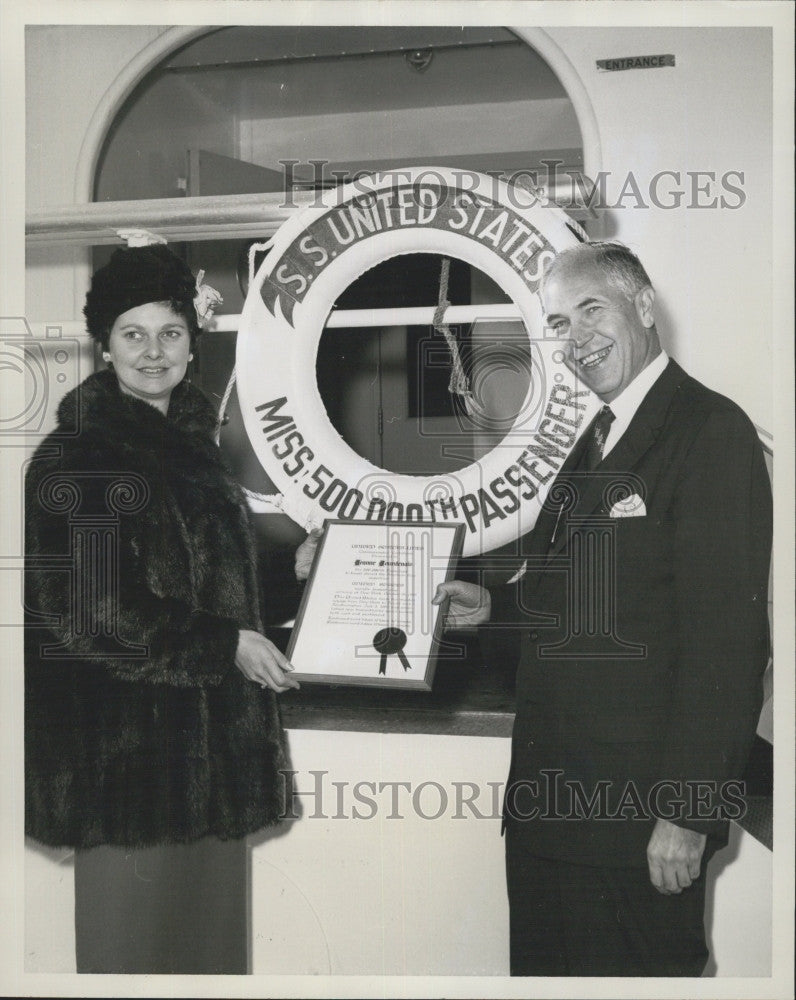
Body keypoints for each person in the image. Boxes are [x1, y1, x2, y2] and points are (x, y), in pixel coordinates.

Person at [433, 241, 772, 976]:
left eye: (592, 310)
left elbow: (730, 647)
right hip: (551, 818)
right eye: (558, 322)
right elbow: (569, 594)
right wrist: (491, 605)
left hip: (636, 832)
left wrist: (686, 813)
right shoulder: (597, 434)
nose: (576, 337)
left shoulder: (710, 431)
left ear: (643, 308)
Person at [24, 245, 313, 974]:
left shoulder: (197, 449)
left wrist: (300, 573)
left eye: (171, 332)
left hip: (212, 772)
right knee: (134, 966)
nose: (153, 352)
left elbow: (213, 586)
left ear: (193, 341)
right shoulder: (78, 456)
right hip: (125, 779)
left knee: (211, 965)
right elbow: (89, 612)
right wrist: (224, 645)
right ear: (104, 346)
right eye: (133, 334)